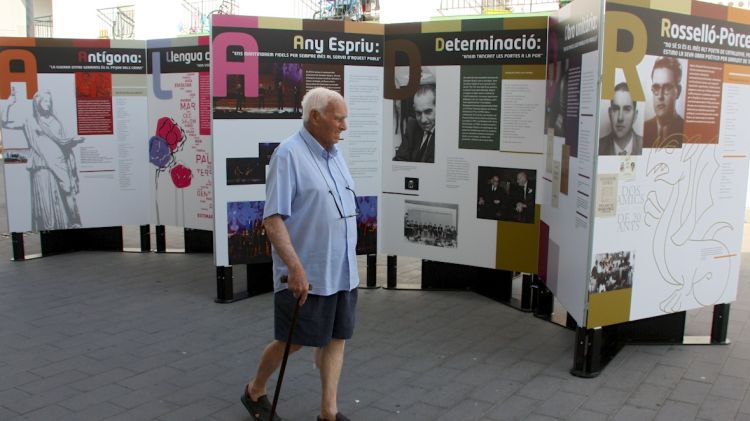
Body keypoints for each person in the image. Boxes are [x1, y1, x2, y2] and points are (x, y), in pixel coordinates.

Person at [241, 87, 358, 421]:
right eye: (339, 119)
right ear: (316, 117)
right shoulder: (288, 155)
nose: (344, 126)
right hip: (308, 272)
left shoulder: (334, 154)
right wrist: (294, 267)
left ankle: (329, 413)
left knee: (337, 338)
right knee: (292, 342)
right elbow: (273, 218)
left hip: (343, 271)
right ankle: (255, 390)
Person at [1, 88, 84, 231]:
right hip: (42, 165)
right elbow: (5, 123)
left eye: (50, 101)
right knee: (46, 198)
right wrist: (8, 104)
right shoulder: (30, 121)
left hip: (59, 162)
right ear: (37, 103)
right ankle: (49, 226)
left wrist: (72, 142)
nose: (48, 104)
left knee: (67, 191)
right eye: (45, 101)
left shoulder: (56, 121)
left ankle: (74, 222)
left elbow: (62, 142)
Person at [643, 57, 684, 148]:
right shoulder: (644, 129)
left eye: (667, 88)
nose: (660, 96)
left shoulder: (685, 131)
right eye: (656, 88)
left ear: (678, 92)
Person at [394, 84, 435, 163]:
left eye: (428, 112)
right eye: (418, 113)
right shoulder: (412, 126)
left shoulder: (446, 134)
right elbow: (400, 159)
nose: (423, 120)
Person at [599, 82, 642, 156]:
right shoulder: (599, 147)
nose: (620, 118)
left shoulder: (645, 145)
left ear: (635, 115)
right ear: (610, 113)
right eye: (615, 109)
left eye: (627, 109)